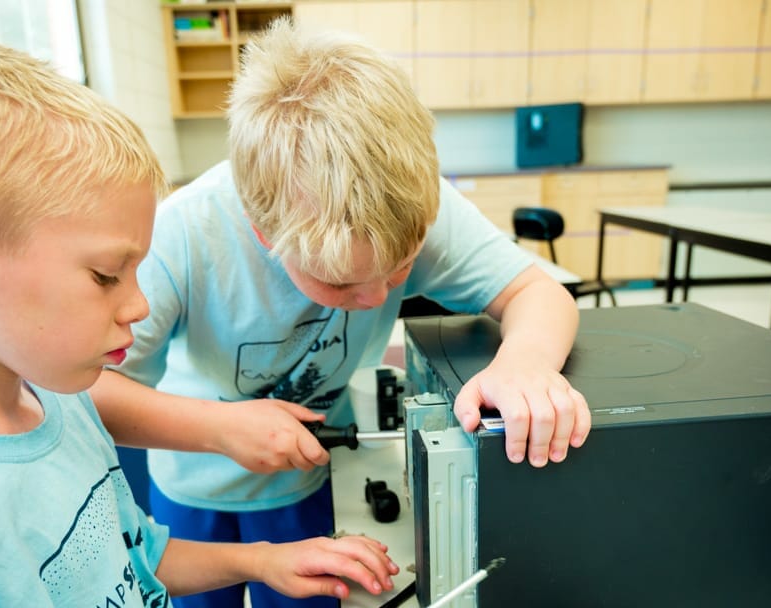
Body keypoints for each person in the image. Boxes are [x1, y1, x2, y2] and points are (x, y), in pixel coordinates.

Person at [0, 37, 399, 605]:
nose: (139, 306)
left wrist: (264, 562)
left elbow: (132, 557)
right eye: (105, 275)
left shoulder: (65, 405)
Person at [89, 19, 591, 608]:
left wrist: (525, 364)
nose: (376, 299)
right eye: (339, 282)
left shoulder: (407, 197)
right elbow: (88, 390)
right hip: (190, 485)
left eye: (402, 267)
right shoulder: (182, 235)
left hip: (306, 479)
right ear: (264, 233)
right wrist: (216, 428)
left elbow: (538, 292)